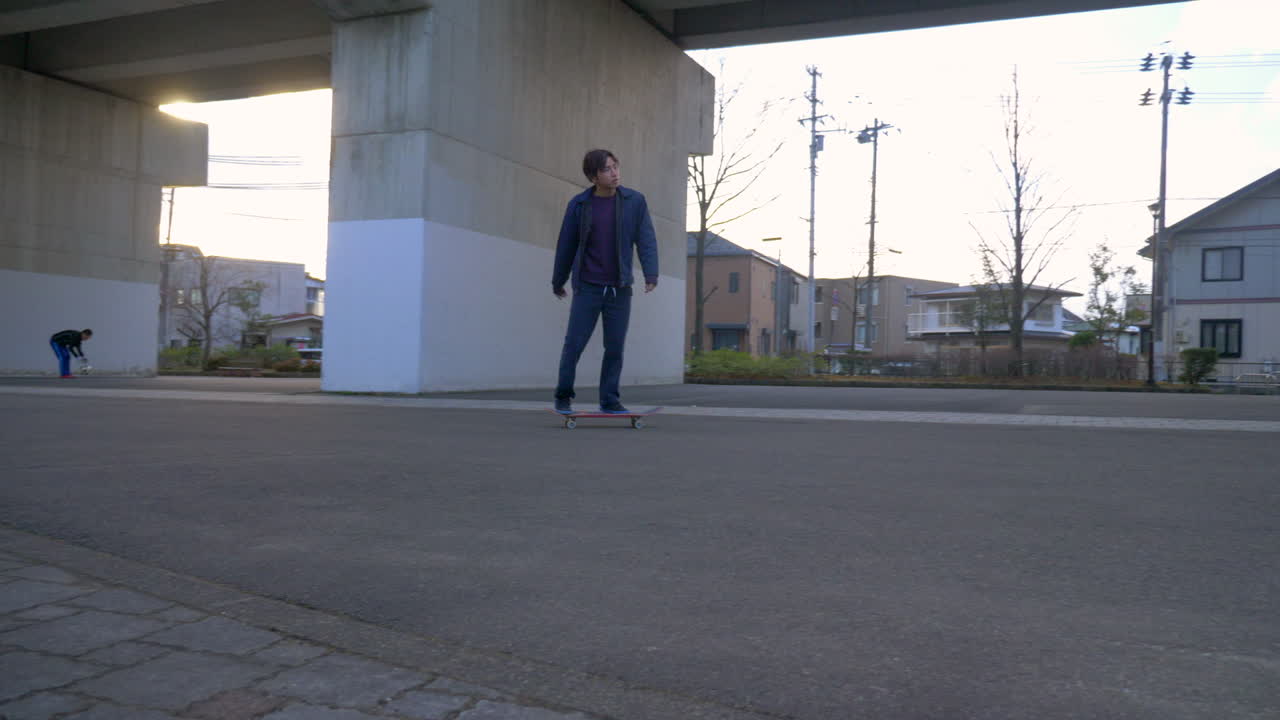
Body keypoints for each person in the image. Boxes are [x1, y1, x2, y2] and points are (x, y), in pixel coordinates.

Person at [551, 149, 658, 414]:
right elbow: (566, 244)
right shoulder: (579, 205)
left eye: (615, 167)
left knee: (615, 347)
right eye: (607, 169)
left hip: (620, 288)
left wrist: (651, 273)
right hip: (588, 286)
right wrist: (558, 280)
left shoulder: (635, 201)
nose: (615, 173)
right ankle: (563, 396)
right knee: (574, 343)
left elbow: (645, 239)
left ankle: (609, 400)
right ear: (593, 176)